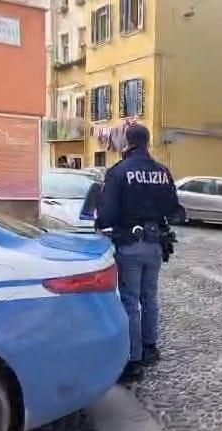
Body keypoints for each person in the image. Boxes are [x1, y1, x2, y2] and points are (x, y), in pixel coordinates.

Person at [96, 124, 179, 382]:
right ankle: (151, 348)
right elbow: (174, 209)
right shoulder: (162, 172)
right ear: (147, 142)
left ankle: (133, 360)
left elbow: (106, 214)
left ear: (128, 143)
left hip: (130, 244)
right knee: (150, 296)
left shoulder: (119, 172)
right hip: (155, 243)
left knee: (130, 301)